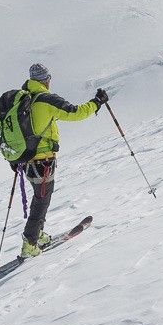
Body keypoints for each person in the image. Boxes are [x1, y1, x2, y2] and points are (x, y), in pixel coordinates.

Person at [15, 62, 107, 258]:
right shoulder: (45, 99)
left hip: (25, 159)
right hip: (42, 160)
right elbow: (75, 112)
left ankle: (37, 235)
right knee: (42, 200)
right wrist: (97, 102)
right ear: (46, 80)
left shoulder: (23, 98)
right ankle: (30, 243)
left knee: (39, 198)